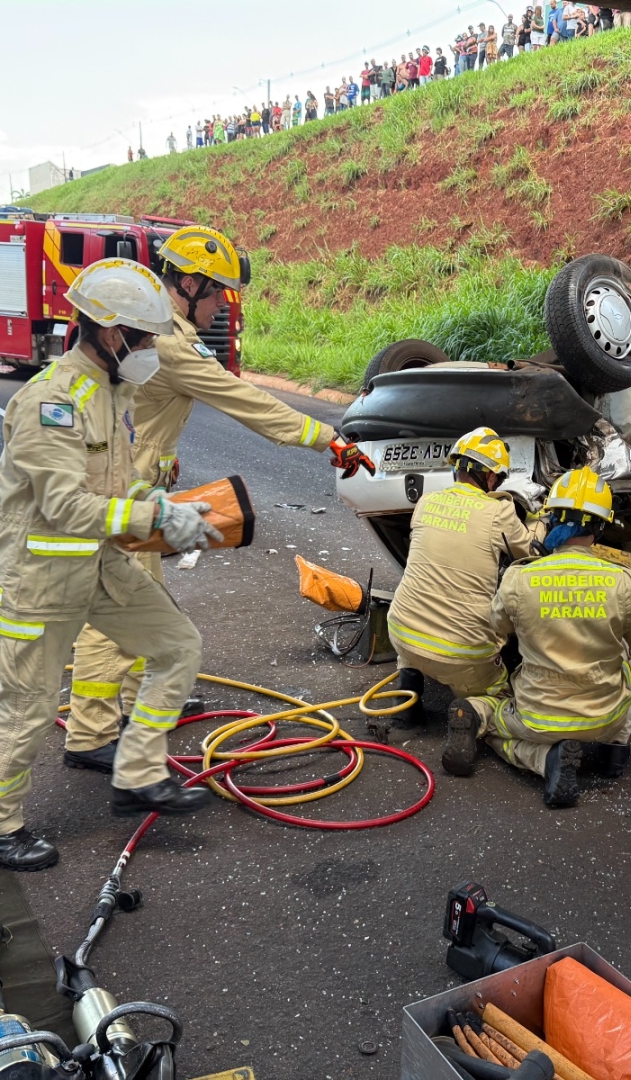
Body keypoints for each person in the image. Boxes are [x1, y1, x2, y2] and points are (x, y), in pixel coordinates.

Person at [64, 227, 375, 774]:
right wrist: (328, 438)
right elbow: (247, 400)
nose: (222, 307)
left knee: (144, 602)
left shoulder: (154, 330)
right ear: (187, 282)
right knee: (114, 614)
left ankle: (138, 704)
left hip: (133, 483)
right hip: (119, 495)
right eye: (216, 295)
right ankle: (89, 736)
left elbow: (139, 410)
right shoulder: (171, 341)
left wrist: (160, 455)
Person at [0, 259, 219, 872]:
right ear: (112, 335)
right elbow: (64, 505)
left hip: (96, 569)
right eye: (146, 336)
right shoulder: (52, 402)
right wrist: (155, 522)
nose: (153, 347)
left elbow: (113, 483)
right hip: (38, 582)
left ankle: (136, 774)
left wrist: (155, 501)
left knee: (177, 645)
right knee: (26, 705)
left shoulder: (112, 392)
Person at [442, 467, 631, 808]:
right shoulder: (624, 581)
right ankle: (616, 750)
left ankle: (541, 757)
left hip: (537, 718)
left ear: (551, 520)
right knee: (627, 654)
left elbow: (497, 627)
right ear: (601, 527)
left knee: (493, 726)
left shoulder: (520, 577)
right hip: (606, 719)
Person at [387, 428, 532, 717]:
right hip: (463, 655)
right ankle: (470, 712)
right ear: (491, 477)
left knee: (415, 619)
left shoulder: (425, 502)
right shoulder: (499, 512)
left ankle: (407, 697)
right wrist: (538, 523)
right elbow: (530, 555)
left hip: (401, 634)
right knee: (500, 697)